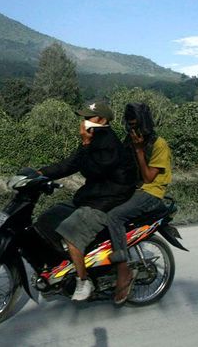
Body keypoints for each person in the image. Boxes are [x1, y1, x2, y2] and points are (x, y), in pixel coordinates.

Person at [38, 100, 138, 301]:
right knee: (49, 218)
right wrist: (41, 173)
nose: (83, 122)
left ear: (101, 120)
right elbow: (72, 163)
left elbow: (94, 169)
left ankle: (84, 282)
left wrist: (84, 143)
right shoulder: (94, 137)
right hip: (95, 195)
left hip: (109, 199)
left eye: (88, 118)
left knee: (70, 232)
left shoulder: (108, 142)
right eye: (83, 118)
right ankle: (65, 268)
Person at [107, 102, 172, 305]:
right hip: (134, 190)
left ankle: (123, 270)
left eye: (136, 125)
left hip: (151, 192)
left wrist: (139, 151)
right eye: (130, 126)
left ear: (146, 124)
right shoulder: (130, 140)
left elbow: (149, 177)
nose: (133, 130)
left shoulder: (158, 144)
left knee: (114, 216)